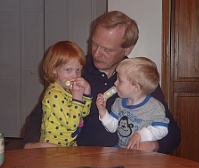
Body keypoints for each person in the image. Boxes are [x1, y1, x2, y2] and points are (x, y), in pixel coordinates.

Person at [22, 11, 181, 153]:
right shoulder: (74, 70)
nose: (97, 53)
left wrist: (154, 145)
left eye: (107, 49)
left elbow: (172, 131)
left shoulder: (138, 79)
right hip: (78, 158)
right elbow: (40, 115)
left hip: (125, 159)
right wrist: (30, 143)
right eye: (95, 44)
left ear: (128, 49)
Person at [96, 57, 170, 149]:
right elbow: (112, 127)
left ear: (136, 88)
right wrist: (102, 111)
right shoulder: (118, 103)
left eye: (120, 80)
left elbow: (162, 129)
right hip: (121, 149)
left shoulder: (154, 106)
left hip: (141, 152)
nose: (115, 83)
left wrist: (141, 134)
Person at [40, 41, 92, 146]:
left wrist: (87, 92)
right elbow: (72, 124)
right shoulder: (54, 94)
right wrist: (77, 99)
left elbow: (83, 113)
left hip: (69, 145)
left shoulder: (68, 90)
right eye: (68, 70)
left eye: (78, 70)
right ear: (54, 69)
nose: (75, 75)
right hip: (53, 148)